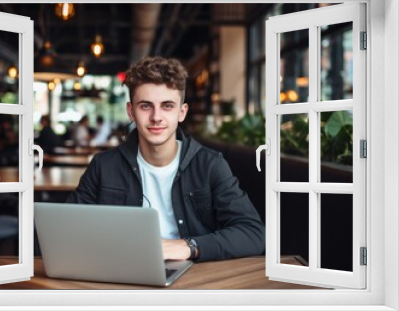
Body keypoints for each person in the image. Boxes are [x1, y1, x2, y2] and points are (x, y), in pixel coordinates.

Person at [67, 56, 265, 262]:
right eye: (145, 106)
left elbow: (253, 233)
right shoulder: (103, 166)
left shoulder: (209, 165)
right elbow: (67, 228)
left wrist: (189, 247)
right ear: (131, 111)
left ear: (182, 112)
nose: (156, 117)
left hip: (194, 279)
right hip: (122, 273)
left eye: (167, 106)